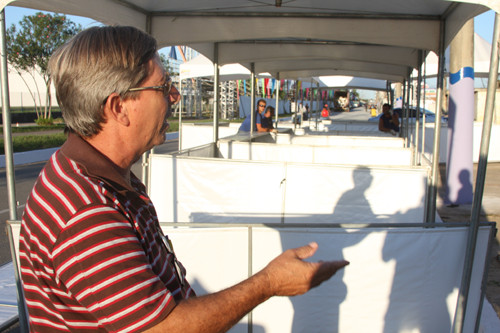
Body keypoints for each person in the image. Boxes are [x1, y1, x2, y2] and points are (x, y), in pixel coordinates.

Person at [19, 26, 349, 332]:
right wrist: (269, 283)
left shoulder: (104, 178)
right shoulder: (85, 210)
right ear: (119, 107)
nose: (174, 96)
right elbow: (163, 328)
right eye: (163, 87)